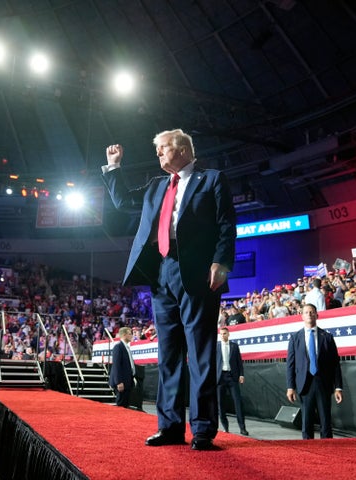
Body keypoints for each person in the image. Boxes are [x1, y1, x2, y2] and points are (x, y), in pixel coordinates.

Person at [102, 129, 236, 451]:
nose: (158, 154)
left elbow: (226, 224)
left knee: (201, 353)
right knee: (169, 355)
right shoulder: (156, 186)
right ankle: (170, 426)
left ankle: (202, 430)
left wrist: (221, 262)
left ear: (181, 149)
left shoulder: (212, 179)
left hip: (199, 274)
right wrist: (114, 168)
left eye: (162, 149)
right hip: (161, 272)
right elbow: (122, 202)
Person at [286, 303, 343, 439]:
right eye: (306, 312)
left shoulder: (327, 337)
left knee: (325, 420)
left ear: (317, 315)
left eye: (312, 312)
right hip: (304, 384)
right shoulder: (295, 338)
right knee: (306, 421)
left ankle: (328, 450)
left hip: (323, 383)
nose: (309, 314)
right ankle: (308, 450)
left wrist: (338, 387)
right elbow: (290, 365)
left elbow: (335, 364)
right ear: (302, 316)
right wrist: (290, 387)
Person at [216, 327, 248, 435]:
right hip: (220, 378)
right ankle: (225, 427)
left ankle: (242, 428)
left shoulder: (234, 346)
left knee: (238, 403)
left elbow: (239, 361)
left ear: (228, 334)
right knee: (221, 404)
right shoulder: (216, 347)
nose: (223, 335)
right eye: (221, 334)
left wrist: (241, 374)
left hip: (232, 377)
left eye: (224, 333)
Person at [109, 326, 135, 408]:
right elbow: (116, 366)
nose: (132, 336)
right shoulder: (118, 347)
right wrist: (119, 382)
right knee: (121, 405)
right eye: (130, 334)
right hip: (121, 382)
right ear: (124, 335)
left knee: (125, 405)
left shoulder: (126, 347)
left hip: (127, 381)